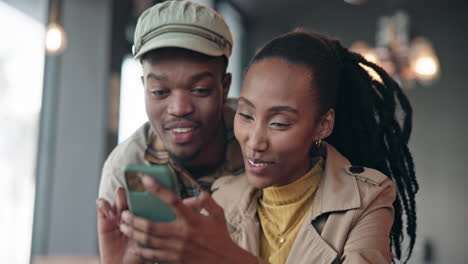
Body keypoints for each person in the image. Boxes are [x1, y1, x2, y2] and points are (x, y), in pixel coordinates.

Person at [119, 29, 418, 264]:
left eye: (279, 123)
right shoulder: (222, 197)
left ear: (322, 125)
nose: (254, 141)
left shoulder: (367, 198)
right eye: (246, 115)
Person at [95, 1, 243, 263]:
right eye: (160, 92)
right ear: (144, 88)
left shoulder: (259, 146)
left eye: (200, 90)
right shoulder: (126, 168)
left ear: (225, 86)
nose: (179, 109)